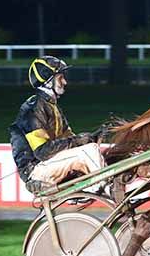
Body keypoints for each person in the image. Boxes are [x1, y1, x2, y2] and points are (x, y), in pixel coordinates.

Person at [9, 56, 104, 194]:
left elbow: (70, 140)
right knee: (88, 151)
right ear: (48, 82)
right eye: (60, 78)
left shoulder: (52, 106)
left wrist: (91, 138)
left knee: (91, 148)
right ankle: (102, 188)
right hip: (36, 171)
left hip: (50, 164)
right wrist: (82, 141)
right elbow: (43, 151)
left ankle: (99, 186)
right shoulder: (32, 109)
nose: (65, 82)